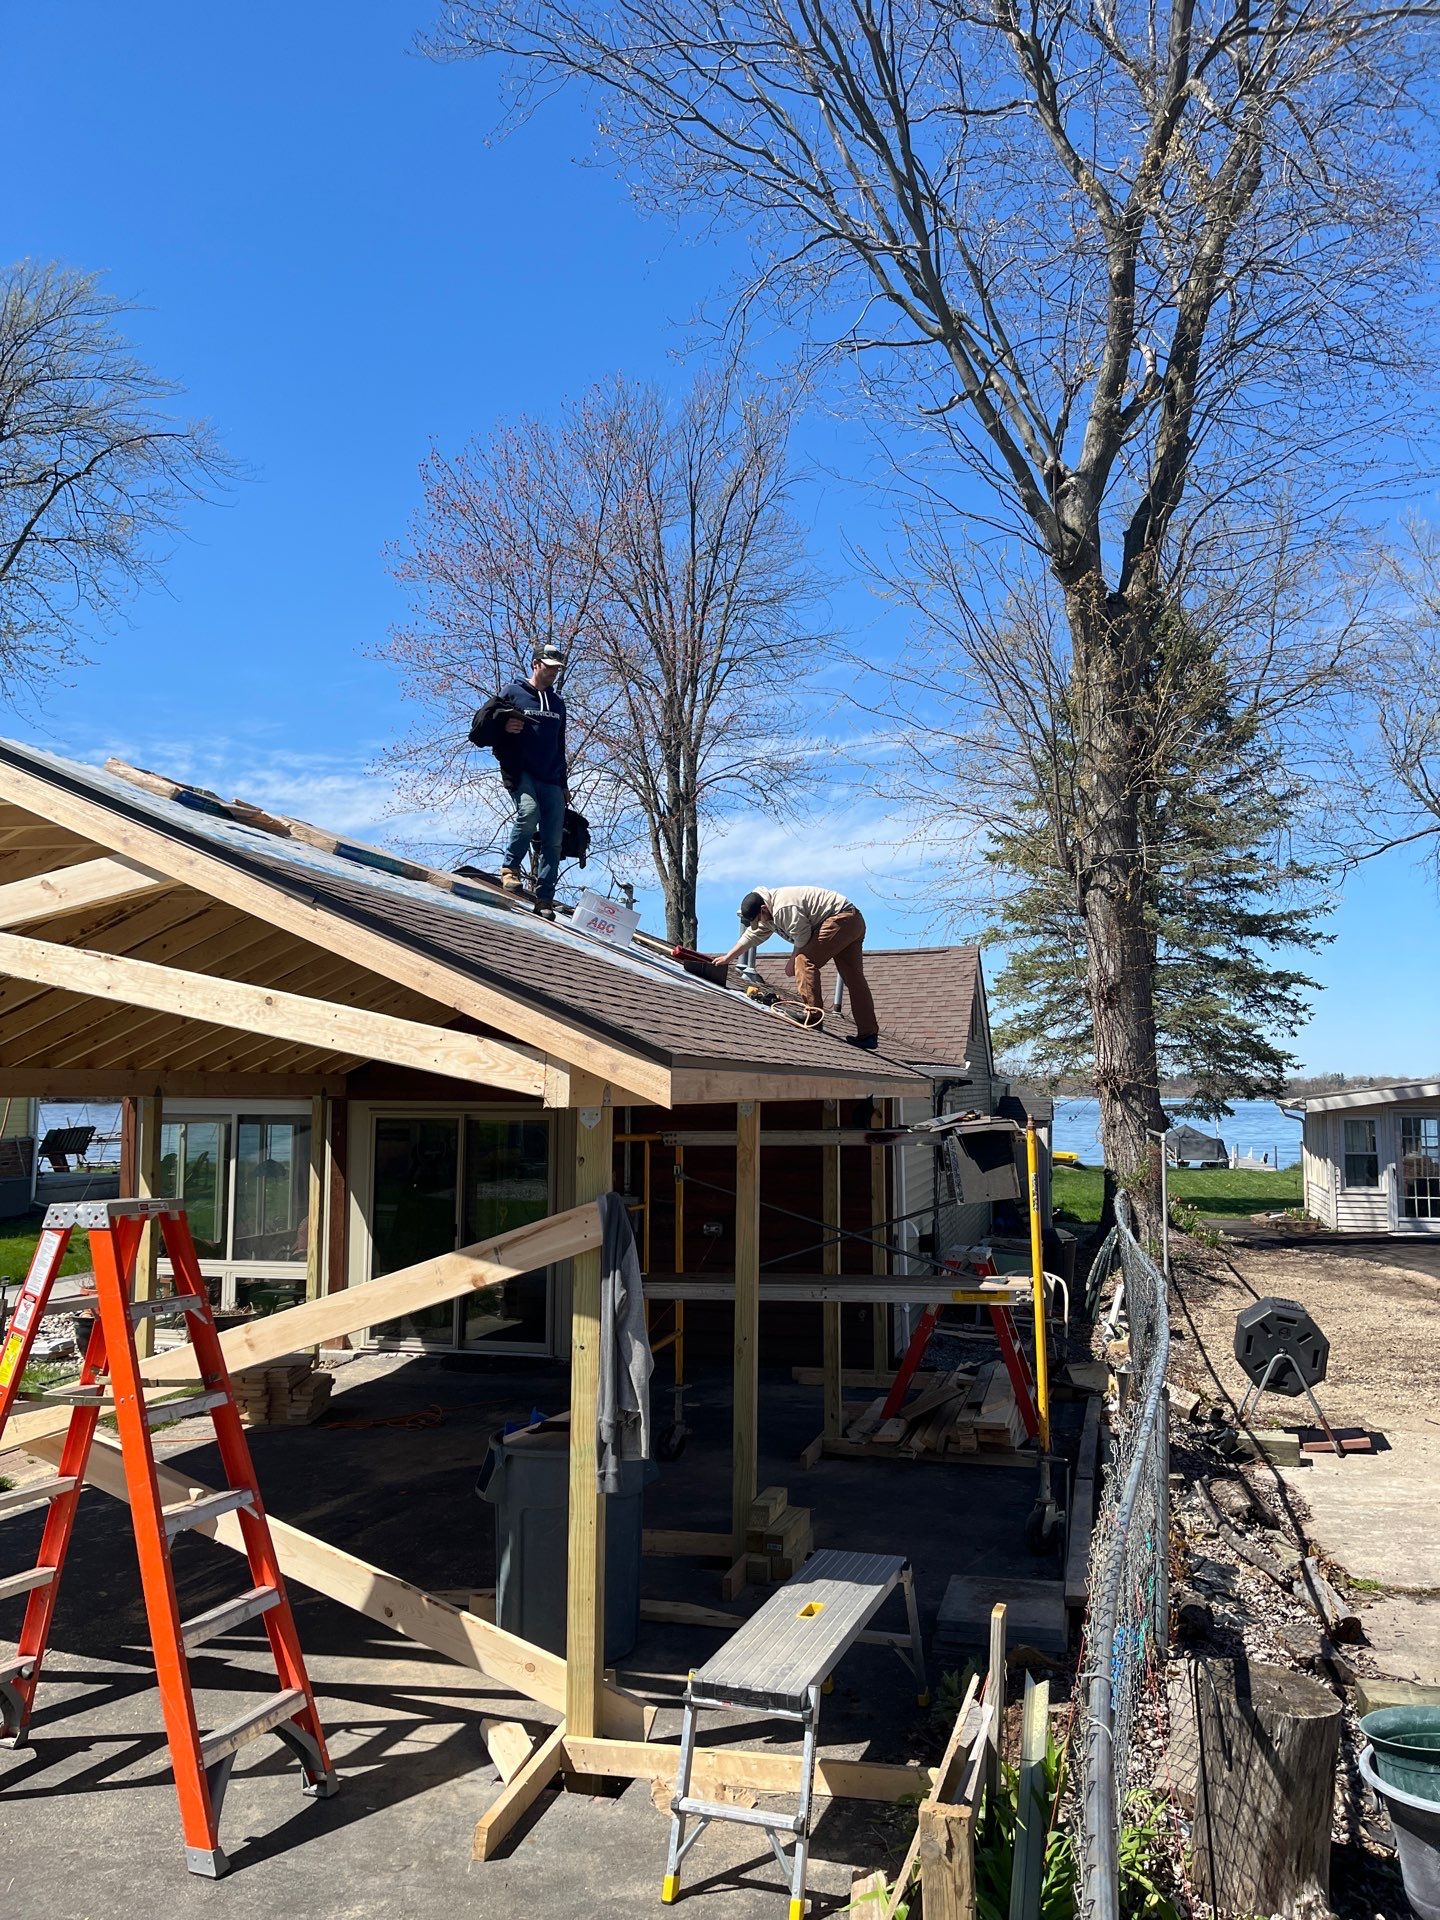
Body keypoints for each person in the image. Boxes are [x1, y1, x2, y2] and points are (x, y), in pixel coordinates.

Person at [714, 886, 881, 1047]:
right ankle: (868, 1034)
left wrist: (792, 960)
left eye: (759, 920)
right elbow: (751, 936)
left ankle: (813, 1016)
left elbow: (803, 937)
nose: (760, 924)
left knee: (804, 960)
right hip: (854, 921)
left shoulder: (783, 908)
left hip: (841, 918)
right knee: (853, 978)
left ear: (763, 910)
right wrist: (728, 957)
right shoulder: (767, 910)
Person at [495, 643, 569, 919]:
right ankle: (509, 868)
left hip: (551, 775)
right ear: (536, 664)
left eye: (557, 670)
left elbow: (560, 744)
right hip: (521, 770)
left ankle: (544, 898)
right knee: (528, 812)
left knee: (553, 838)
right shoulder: (512, 693)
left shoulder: (558, 703)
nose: (553, 674)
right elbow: (486, 725)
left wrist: (563, 782)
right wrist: (504, 727)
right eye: (549, 668)